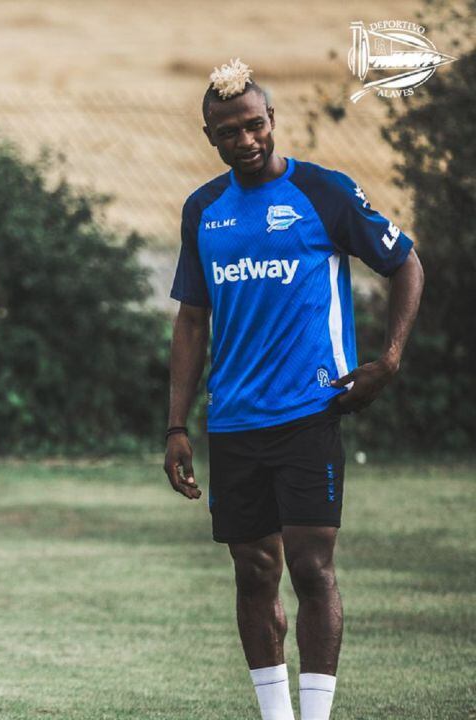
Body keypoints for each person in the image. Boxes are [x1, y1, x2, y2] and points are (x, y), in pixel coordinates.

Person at [164, 59, 424, 720]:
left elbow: (405, 262)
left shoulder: (323, 192)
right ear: (210, 136)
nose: (246, 140)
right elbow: (193, 321)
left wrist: (387, 361)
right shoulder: (204, 211)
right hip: (234, 422)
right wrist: (175, 427)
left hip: (311, 412)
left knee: (311, 569)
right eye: (230, 131)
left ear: (273, 121)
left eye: (255, 125)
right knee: (253, 571)